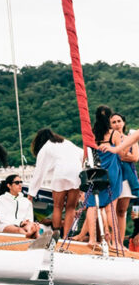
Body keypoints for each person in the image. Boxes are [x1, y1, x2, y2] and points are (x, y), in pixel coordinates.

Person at [26, 128, 83, 237]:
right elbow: (82, 154)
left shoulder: (46, 147)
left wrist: (31, 192)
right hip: (76, 172)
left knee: (57, 206)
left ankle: (56, 234)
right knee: (71, 207)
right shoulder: (68, 143)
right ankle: (66, 237)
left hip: (61, 172)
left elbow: (39, 172)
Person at [80, 105, 123, 247]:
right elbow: (121, 154)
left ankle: (92, 240)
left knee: (92, 206)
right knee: (111, 207)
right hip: (111, 173)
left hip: (95, 173)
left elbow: (85, 156)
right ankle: (116, 242)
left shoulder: (91, 134)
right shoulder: (114, 134)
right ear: (110, 118)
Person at [109, 112, 139, 245]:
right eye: (113, 122)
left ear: (124, 123)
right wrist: (124, 155)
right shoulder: (108, 139)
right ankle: (109, 240)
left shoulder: (130, 138)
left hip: (127, 177)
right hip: (113, 176)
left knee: (122, 210)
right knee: (110, 210)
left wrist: (120, 155)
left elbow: (135, 157)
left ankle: (120, 242)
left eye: (119, 121)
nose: (116, 124)